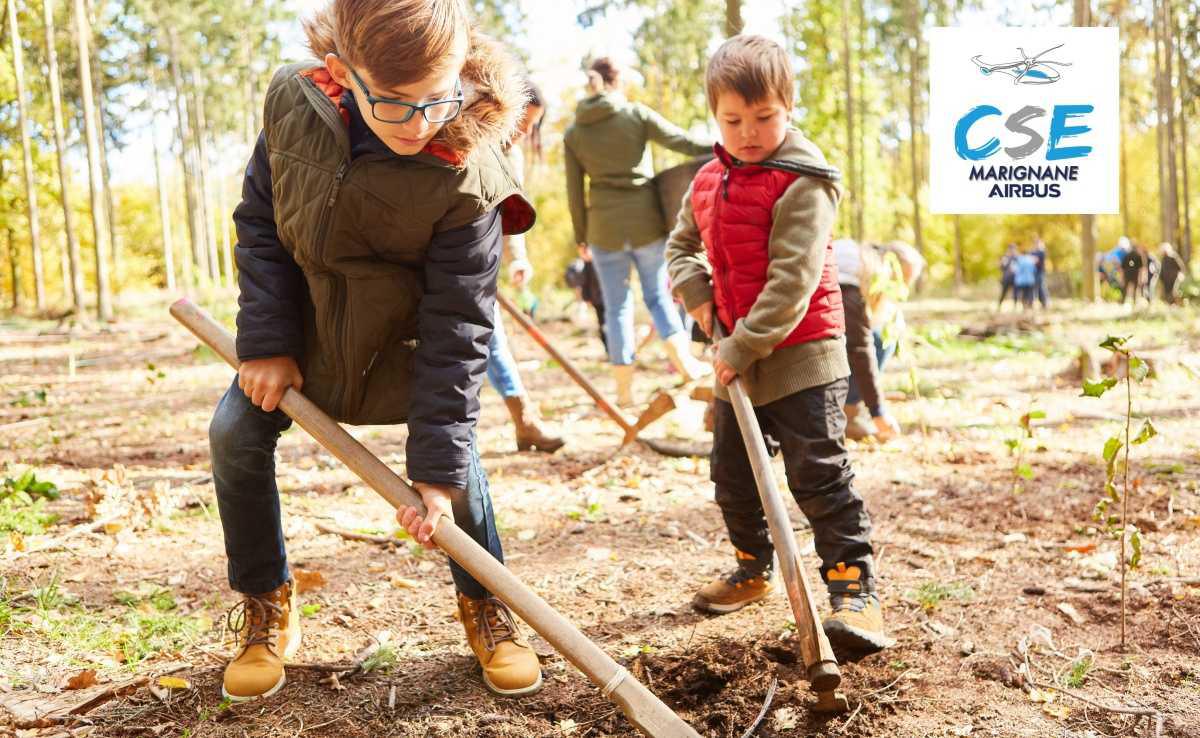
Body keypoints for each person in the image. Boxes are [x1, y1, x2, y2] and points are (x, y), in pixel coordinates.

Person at [210, 0, 542, 702]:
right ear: (342, 74)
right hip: (300, 342)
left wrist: (436, 474)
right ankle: (266, 603)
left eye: (438, 99)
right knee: (234, 433)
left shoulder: (469, 172)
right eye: (395, 105)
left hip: (404, 347)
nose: (422, 124)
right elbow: (260, 223)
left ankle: (487, 605)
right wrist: (267, 344)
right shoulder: (293, 105)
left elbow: (459, 325)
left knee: (461, 473)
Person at [666, 34, 890, 655]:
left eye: (764, 117)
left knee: (818, 474)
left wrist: (736, 348)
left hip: (801, 354)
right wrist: (697, 293)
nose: (748, 132)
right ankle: (752, 569)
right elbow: (680, 247)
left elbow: (792, 283)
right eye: (732, 120)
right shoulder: (709, 179)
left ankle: (854, 592)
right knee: (732, 476)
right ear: (714, 116)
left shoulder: (805, 181)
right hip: (735, 354)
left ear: (788, 107)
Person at [564, 57, 714, 407]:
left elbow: (574, 190)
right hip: (645, 222)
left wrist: (581, 236)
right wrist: (723, 146)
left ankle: (624, 392)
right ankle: (686, 366)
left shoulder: (575, 133)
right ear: (616, 81)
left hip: (602, 228)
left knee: (617, 307)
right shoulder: (635, 115)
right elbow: (684, 142)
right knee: (658, 297)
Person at [486, 81, 564, 452]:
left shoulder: (512, 156)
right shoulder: (471, 140)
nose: (524, 131)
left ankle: (525, 418)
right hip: (452, 257)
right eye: (522, 120)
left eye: (533, 125)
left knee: (490, 336)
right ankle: (524, 419)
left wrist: (517, 260)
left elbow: (512, 216)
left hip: (481, 263)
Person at [833, 238, 899, 442]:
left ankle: (847, 411)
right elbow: (860, 351)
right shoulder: (849, 295)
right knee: (876, 341)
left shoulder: (840, 283)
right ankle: (846, 413)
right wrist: (878, 412)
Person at [998, 243, 1018, 309]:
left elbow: (1019, 268)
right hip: (1006, 278)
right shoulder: (1005, 257)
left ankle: (1015, 306)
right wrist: (1001, 263)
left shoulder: (1017, 258)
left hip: (1015, 278)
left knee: (1015, 293)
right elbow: (1001, 268)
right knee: (1003, 293)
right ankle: (999, 306)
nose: (1012, 250)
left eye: (1013, 249)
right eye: (1011, 249)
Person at [1031, 236, 1049, 308]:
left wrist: (1034, 260)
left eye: (1038, 243)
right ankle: (1033, 302)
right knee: (1034, 288)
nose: (1037, 244)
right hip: (1033, 273)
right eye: (1035, 243)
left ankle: (1044, 302)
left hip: (1040, 272)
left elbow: (1037, 261)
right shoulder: (1032, 252)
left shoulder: (1042, 252)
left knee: (1041, 287)